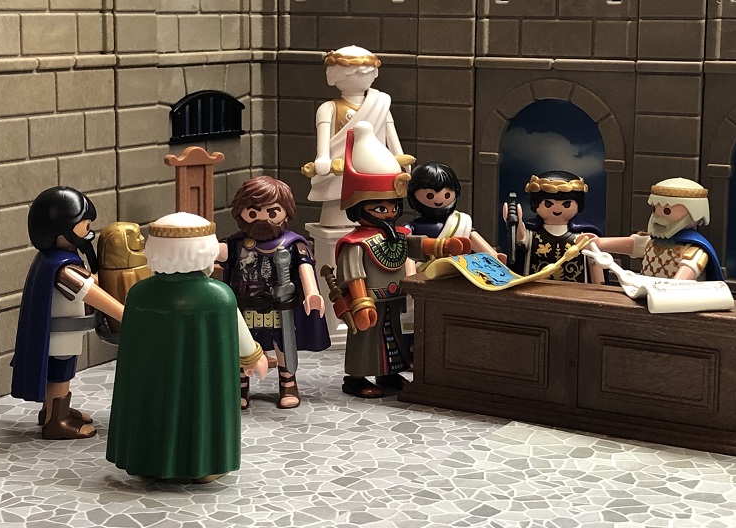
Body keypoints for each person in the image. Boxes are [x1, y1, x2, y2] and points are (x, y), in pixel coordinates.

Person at [106, 212, 268, 482]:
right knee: (201, 408)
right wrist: (254, 358)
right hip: (201, 380)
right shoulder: (219, 296)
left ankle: (148, 459)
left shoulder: (140, 294)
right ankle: (205, 464)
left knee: (153, 405)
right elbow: (240, 334)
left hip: (153, 380)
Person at [332, 121, 468, 399]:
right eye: (380, 208)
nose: (389, 213)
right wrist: (360, 302)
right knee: (365, 339)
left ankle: (388, 373)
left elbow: (416, 245)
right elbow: (354, 275)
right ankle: (355, 378)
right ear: (359, 208)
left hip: (394, 298)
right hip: (369, 300)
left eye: (393, 207)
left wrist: (443, 246)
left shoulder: (396, 235)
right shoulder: (355, 243)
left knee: (392, 337)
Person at [11, 186, 125, 440]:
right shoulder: (63, 269)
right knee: (60, 374)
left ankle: (52, 411)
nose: (88, 231)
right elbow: (90, 292)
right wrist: (124, 314)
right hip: (61, 336)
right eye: (84, 225)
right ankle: (57, 421)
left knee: (58, 373)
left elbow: (90, 282)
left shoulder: (54, 261)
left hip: (60, 334)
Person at [218, 176, 329, 410]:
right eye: (254, 212)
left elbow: (305, 267)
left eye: (272, 212)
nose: (262, 218)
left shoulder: (293, 244)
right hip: (244, 305)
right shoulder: (236, 244)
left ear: (285, 213)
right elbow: (216, 253)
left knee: (283, 346)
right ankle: (240, 386)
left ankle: (288, 384)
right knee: (242, 345)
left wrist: (311, 292)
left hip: (280, 307)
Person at [306, 45, 408, 228]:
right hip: (340, 167)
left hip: (374, 168)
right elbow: (324, 139)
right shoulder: (329, 108)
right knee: (336, 208)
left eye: (365, 72)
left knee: (373, 203)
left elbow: (390, 134)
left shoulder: (381, 103)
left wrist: (399, 158)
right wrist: (323, 157)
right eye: (352, 73)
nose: (359, 76)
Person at [593, 177, 724, 281]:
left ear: (694, 213)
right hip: (648, 296)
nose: (658, 217)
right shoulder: (652, 242)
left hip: (678, 302)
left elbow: (681, 280)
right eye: (655, 209)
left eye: (667, 211)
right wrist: (598, 243)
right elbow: (633, 244)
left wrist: (669, 289)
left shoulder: (694, 250)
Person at [502, 171, 602, 283]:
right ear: (536, 205)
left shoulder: (583, 235)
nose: (557, 209)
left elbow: (595, 264)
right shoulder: (532, 233)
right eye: (548, 204)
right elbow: (520, 240)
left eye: (566, 204)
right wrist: (517, 222)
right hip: (536, 288)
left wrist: (599, 286)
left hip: (577, 290)